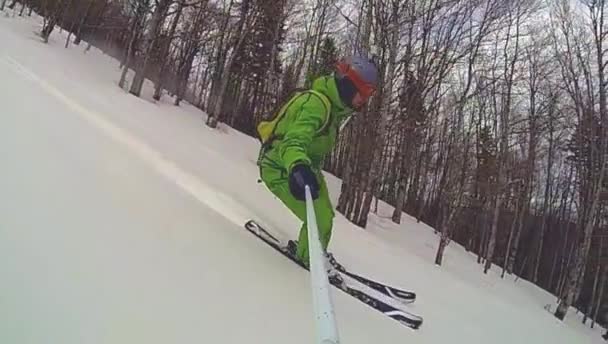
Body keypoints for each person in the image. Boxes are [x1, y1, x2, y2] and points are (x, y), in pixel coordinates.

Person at [256, 55, 379, 266]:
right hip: (280, 167)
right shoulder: (317, 105)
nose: (365, 99)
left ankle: (312, 252)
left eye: (371, 93)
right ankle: (309, 259)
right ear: (351, 84)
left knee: (325, 217)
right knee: (319, 218)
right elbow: (292, 142)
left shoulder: (335, 110)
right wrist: (298, 167)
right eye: (365, 91)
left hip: (303, 167)